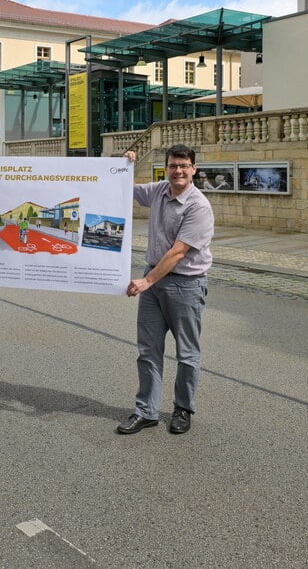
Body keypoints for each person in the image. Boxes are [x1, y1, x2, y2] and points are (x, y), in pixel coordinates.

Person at [117, 144, 214, 436]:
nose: (178, 171)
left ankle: (183, 409)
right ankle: (146, 411)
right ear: (167, 168)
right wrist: (123, 166)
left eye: (184, 166)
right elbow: (124, 188)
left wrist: (147, 282)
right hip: (154, 282)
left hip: (185, 284)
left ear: (193, 169)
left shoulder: (199, 207)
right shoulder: (159, 190)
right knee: (148, 350)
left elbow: (178, 252)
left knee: (186, 353)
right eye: (173, 165)